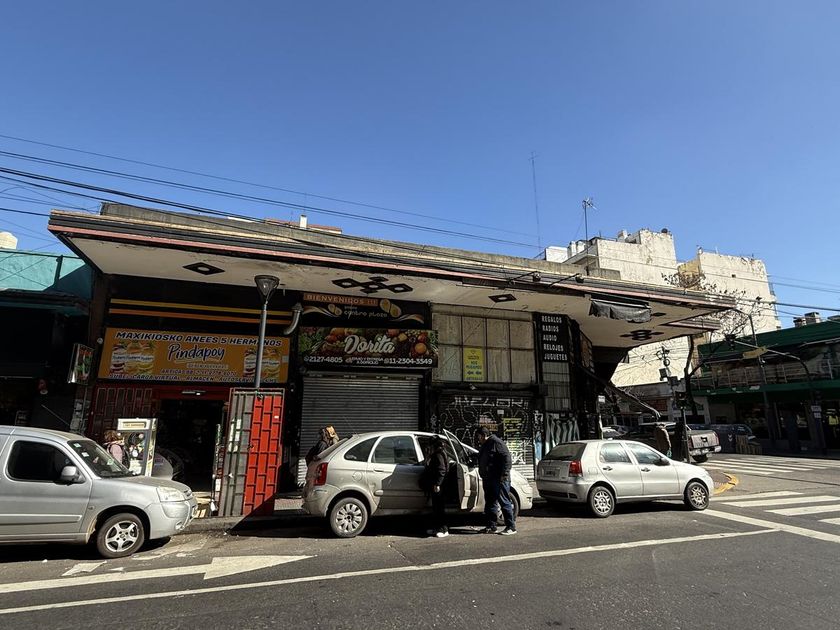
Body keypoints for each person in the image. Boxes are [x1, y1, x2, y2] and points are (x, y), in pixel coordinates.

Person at [474, 427, 516, 536]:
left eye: (479, 436)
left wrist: (504, 474)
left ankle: (511, 527)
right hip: (489, 478)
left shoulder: (496, 442)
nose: (478, 439)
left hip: (499, 479)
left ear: (484, 435)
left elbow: (507, 458)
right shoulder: (485, 445)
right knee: (490, 502)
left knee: (504, 501)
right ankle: (491, 526)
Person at [423, 436, 449, 538]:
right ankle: (437, 528)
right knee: (436, 507)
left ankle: (443, 529)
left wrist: (438, 484)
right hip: (436, 484)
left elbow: (441, 470)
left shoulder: (438, 454)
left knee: (439, 508)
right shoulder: (436, 453)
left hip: (439, 485)